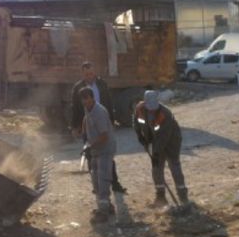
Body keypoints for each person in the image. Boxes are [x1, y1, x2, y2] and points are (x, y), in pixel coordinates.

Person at [70, 61, 127, 194]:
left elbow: (109, 102)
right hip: (87, 126)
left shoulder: (102, 84)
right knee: (91, 155)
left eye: (91, 73)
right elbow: (75, 109)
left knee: (107, 156)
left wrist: (112, 121)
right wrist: (75, 126)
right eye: (86, 74)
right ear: (82, 74)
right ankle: (97, 185)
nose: (89, 76)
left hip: (102, 124)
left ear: (94, 72)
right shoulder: (78, 88)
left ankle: (115, 184)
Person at [132, 90, 189, 207]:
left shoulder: (165, 114)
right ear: (145, 103)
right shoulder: (140, 109)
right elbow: (137, 122)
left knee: (174, 166)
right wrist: (140, 136)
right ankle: (161, 196)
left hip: (172, 141)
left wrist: (156, 153)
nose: (152, 110)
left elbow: (163, 137)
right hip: (155, 140)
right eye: (149, 107)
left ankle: (183, 196)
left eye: (154, 107)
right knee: (156, 168)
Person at [79, 87, 117, 223]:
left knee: (103, 179)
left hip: (105, 149)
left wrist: (90, 146)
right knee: (95, 178)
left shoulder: (99, 112)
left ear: (92, 98)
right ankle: (107, 206)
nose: (85, 103)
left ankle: (103, 213)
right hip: (95, 149)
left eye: (87, 100)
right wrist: (84, 134)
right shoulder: (87, 108)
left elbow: (104, 136)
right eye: (83, 101)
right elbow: (86, 118)